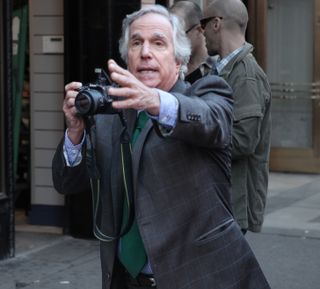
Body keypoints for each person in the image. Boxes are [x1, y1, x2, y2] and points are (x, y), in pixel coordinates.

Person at [52, 5, 270, 289]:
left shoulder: (208, 93)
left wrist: (155, 101)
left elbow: (213, 121)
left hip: (198, 278)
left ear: (179, 61)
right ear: (126, 58)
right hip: (125, 279)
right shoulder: (109, 117)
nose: (145, 52)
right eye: (136, 43)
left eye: (158, 43)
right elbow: (67, 183)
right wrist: (74, 133)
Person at [201, 0, 272, 234]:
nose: (201, 33)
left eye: (203, 24)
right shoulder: (223, 69)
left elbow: (243, 142)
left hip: (232, 204)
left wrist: (193, 137)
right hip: (220, 199)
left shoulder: (246, 76)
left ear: (216, 24)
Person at [169, 1, 213, 83]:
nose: (173, 42)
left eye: (179, 36)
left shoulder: (218, 68)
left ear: (199, 30)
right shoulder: (167, 67)